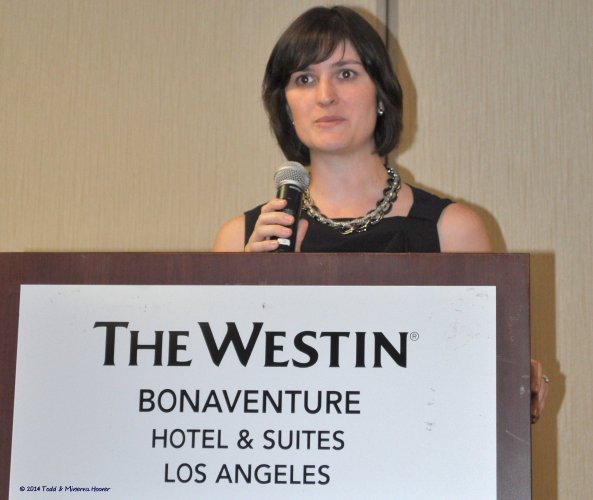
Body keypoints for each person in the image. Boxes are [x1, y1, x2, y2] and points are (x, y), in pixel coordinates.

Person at [213, 5, 548, 421]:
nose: (325, 95)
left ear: (382, 94)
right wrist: (244, 293)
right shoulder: (242, 239)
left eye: (346, 73)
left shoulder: (453, 231)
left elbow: (479, 389)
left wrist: (518, 382)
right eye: (304, 79)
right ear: (285, 106)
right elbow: (226, 396)